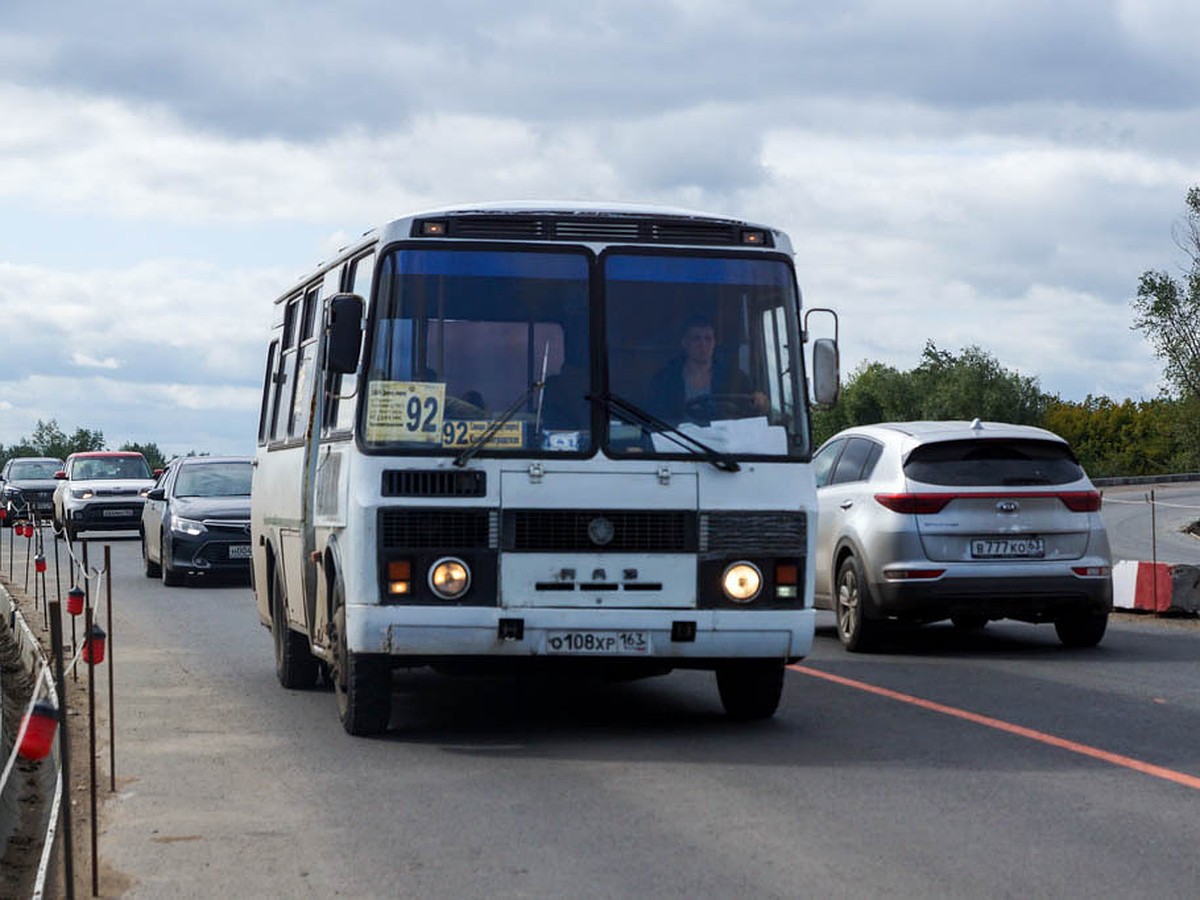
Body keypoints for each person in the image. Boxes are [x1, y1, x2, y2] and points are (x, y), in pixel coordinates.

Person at [649, 315, 767, 423]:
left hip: (721, 443)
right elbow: (656, 418)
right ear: (685, 343)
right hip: (679, 442)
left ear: (714, 343)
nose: (703, 345)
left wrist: (760, 402)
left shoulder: (735, 377)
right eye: (696, 339)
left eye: (708, 339)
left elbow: (753, 405)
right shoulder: (665, 379)